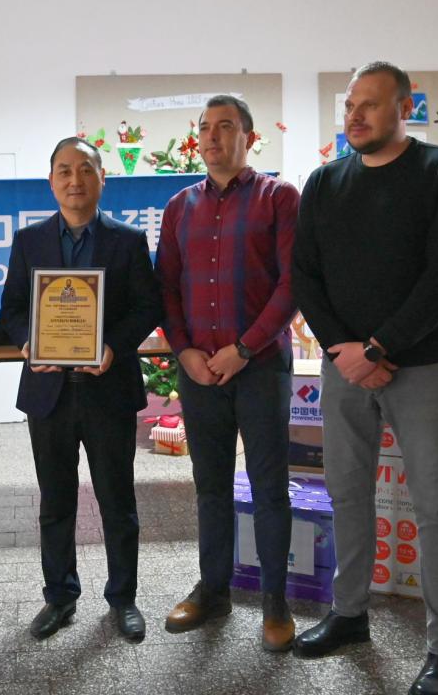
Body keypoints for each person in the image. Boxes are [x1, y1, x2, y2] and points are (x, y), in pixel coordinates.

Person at [292, 61, 438, 695]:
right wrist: (345, 351)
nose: (355, 116)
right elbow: (305, 275)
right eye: (350, 105)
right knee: (347, 494)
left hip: (423, 363)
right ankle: (349, 614)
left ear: (406, 107)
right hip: (344, 365)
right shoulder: (325, 182)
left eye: (369, 104)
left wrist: (378, 348)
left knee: (436, 506)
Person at [0, 136, 162, 641]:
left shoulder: (127, 241)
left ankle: (123, 599)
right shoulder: (29, 241)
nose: (75, 180)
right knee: (55, 501)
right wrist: (29, 342)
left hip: (108, 389)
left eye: (86, 169)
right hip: (48, 393)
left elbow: (147, 306)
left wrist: (112, 345)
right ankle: (60, 597)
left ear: (101, 179)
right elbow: (12, 309)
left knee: (118, 501)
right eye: (65, 171)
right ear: (51, 181)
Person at [155, 95, 301, 652]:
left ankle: (275, 603)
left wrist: (244, 348)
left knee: (269, 488)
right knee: (210, 486)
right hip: (199, 372)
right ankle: (213, 590)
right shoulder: (179, 206)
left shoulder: (279, 198)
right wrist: (185, 351)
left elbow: (292, 285)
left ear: (249, 137)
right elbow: (167, 287)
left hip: (260, 368)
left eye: (225, 127)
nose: (212, 137)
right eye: (204, 128)